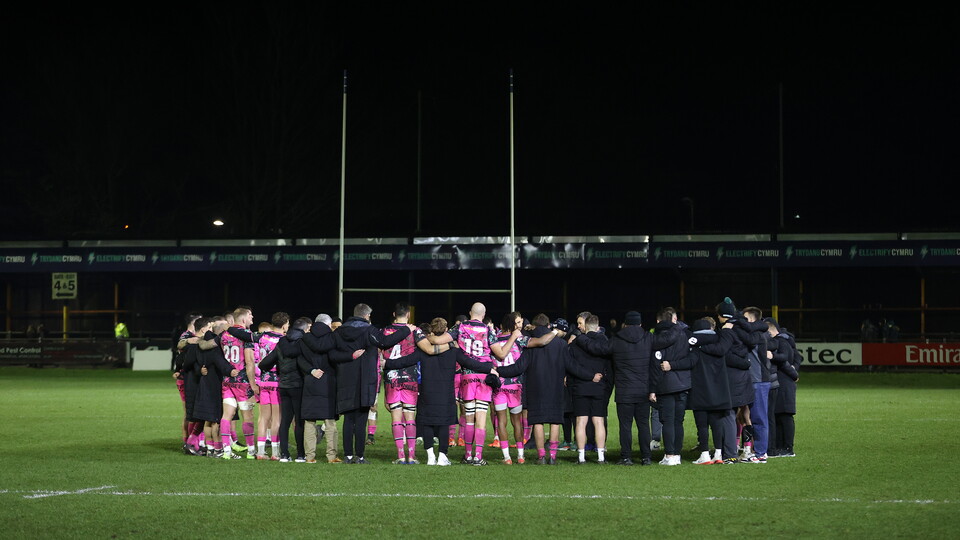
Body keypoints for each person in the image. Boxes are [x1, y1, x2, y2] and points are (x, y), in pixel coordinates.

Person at [382, 317, 497, 465]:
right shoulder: (453, 351)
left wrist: (387, 363)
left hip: (427, 392)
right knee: (444, 424)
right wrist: (489, 369)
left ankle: (430, 456)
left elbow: (405, 361)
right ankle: (442, 456)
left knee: (427, 423)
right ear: (446, 330)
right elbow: (470, 363)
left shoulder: (423, 350)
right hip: (445, 393)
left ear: (431, 330)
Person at [496, 314, 601, 465]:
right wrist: (590, 375)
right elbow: (572, 366)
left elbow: (518, 368)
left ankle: (541, 457)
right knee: (555, 421)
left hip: (535, 389)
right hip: (555, 388)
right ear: (548, 326)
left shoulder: (531, 343)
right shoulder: (560, 344)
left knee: (538, 422)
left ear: (534, 326)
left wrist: (498, 371)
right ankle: (552, 456)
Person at [328, 303, 412, 464]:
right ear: (366, 316)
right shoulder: (369, 330)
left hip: (345, 379)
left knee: (348, 419)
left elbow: (332, 355)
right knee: (361, 418)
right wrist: (406, 330)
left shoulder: (339, 332)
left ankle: (348, 455)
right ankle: (360, 456)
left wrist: (349, 356)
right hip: (365, 379)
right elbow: (385, 341)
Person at [573, 310, 656, 465]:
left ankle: (626, 457)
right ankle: (646, 457)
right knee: (644, 425)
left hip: (624, 390)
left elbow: (597, 348)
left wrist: (582, 337)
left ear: (625, 324)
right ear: (640, 324)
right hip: (643, 389)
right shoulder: (648, 338)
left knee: (625, 426)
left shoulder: (618, 339)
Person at [662, 317, 748, 464]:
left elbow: (690, 362)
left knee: (702, 424)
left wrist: (672, 365)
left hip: (700, 389)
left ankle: (705, 454)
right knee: (716, 423)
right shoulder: (719, 343)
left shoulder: (695, 347)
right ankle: (718, 454)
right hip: (718, 390)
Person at [425, 303, 498, 464]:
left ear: (470, 312)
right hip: (484, 377)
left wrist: (427, 337)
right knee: (481, 418)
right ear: (484, 314)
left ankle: (468, 455)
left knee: (469, 417)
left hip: (467, 377)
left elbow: (437, 340)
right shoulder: (488, 330)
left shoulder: (460, 327)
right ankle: (478, 456)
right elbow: (500, 353)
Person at [258, 316, 311, 462]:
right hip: (298, 386)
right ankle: (300, 454)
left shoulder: (281, 343)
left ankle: (284, 454)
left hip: (283, 386)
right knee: (299, 421)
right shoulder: (303, 343)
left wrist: (277, 370)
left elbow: (264, 364)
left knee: (285, 420)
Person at [380, 303, 422, 464]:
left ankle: (400, 456)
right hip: (409, 378)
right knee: (410, 417)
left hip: (392, 379)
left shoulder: (385, 332)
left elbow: (380, 354)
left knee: (396, 418)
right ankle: (411, 456)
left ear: (394, 314)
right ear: (409, 315)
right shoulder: (415, 331)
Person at [648, 307, 690, 466]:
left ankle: (669, 455)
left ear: (658, 321)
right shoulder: (683, 335)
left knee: (668, 421)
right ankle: (677, 455)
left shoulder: (656, 338)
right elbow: (690, 359)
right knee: (678, 421)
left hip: (665, 385)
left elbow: (654, 366)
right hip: (683, 384)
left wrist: (652, 389)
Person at [568, 314, 611, 464]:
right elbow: (609, 367)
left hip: (580, 386)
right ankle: (601, 457)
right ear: (598, 327)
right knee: (599, 421)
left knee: (581, 422)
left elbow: (571, 366)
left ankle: (581, 457)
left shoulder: (576, 343)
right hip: (599, 387)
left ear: (585, 327)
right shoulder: (605, 343)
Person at [300, 313, 341, 463]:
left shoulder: (304, 338)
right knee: (330, 421)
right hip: (328, 381)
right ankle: (332, 456)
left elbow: (300, 359)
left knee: (309, 421)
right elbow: (335, 358)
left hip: (310, 381)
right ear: (328, 324)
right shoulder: (332, 338)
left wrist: (311, 370)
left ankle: (310, 456)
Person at [765, 318, 800, 458]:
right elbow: (798, 357)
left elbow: (785, 358)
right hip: (782, 382)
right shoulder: (785, 340)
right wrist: (794, 370)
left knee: (785, 415)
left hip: (785, 383)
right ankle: (780, 447)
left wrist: (772, 355)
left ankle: (788, 448)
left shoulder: (781, 341)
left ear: (770, 331)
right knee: (779, 415)